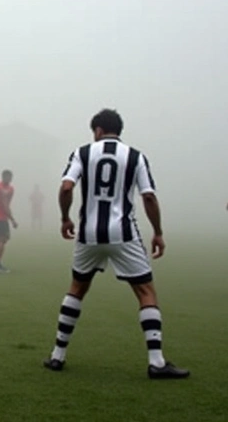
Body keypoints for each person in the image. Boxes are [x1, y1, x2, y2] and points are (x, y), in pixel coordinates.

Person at [43, 108, 189, 379]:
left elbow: (66, 187)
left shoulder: (82, 152)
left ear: (97, 131)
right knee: (146, 292)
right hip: (123, 233)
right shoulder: (136, 156)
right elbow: (148, 198)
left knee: (77, 288)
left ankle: (57, 356)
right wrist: (158, 232)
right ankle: (156, 362)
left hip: (88, 234)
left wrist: (65, 218)